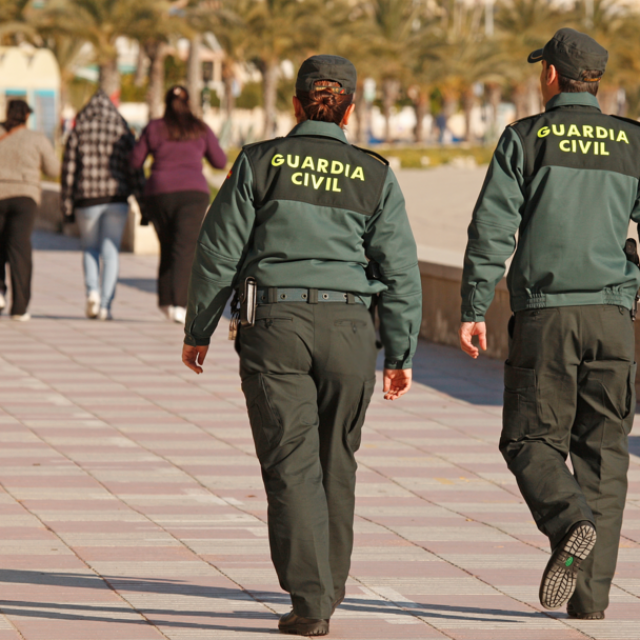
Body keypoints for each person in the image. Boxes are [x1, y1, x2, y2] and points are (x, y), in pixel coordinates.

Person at [181, 55, 422, 636]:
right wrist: (402, 351)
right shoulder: (374, 173)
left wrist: (199, 329)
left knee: (291, 462)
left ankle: (312, 600)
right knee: (337, 460)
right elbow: (400, 267)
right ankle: (326, 586)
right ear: (351, 110)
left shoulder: (259, 163)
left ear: (295, 104)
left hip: (276, 326)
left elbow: (218, 251)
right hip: (349, 330)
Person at [459, 28, 640, 620]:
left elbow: (491, 229)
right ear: (598, 80)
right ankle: (590, 603)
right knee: (605, 455)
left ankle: (568, 524)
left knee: (528, 439)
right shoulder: (632, 142)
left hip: (546, 316)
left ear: (552, 76)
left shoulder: (526, 138)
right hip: (614, 317)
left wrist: (473, 306)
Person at [130, 86, 226, 324]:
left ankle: (166, 302)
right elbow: (220, 161)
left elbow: (134, 161)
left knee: (168, 246)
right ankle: (180, 305)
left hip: (158, 193)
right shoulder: (200, 128)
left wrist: (141, 185)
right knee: (185, 249)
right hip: (193, 194)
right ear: (189, 102)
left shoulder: (154, 127)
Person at [61, 90, 143, 321]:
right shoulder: (122, 131)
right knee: (111, 251)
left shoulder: (79, 130)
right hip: (116, 199)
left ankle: (93, 293)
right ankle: (106, 305)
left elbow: (68, 170)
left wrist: (66, 204)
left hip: (85, 200)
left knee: (89, 248)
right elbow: (134, 170)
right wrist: (141, 198)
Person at [0, 99, 60, 320]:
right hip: (24, 197)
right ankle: (20, 307)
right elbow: (54, 169)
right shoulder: (36, 139)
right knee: (19, 248)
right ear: (27, 116)